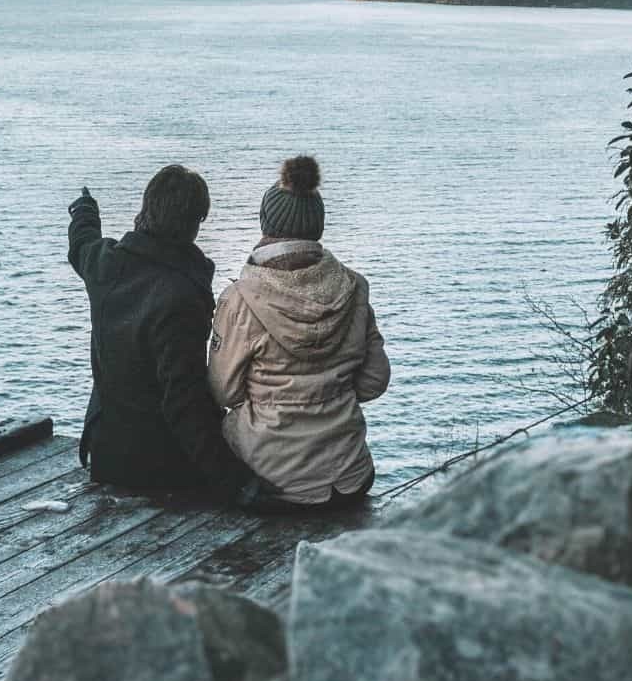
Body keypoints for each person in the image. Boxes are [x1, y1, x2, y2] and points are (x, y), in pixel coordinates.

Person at [68, 166, 286, 507]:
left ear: (146, 207)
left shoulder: (103, 264)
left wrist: (84, 211)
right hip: (162, 465)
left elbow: (81, 243)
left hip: (107, 455)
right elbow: (184, 401)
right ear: (195, 222)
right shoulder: (180, 295)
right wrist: (238, 482)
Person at [208, 156, 390, 508]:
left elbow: (224, 393)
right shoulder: (355, 289)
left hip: (273, 484)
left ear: (266, 224)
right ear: (317, 226)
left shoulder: (239, 299)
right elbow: (374, 383)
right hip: (350, 477)